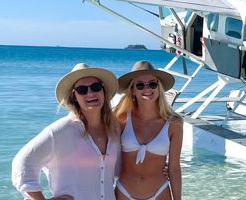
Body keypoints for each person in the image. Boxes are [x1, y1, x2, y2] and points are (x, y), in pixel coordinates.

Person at [11, 63, 121, 200]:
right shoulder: (61, 131)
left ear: (103, 91)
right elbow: (22, 163)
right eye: (82, 90)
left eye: (95, 87)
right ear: (74, 96)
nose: (91, 93)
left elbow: (119, 171)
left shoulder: (114, 128)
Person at [113, 61, 183, 200]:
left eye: (152, 84)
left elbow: (174, 168)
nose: (147, 89)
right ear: (132, 89)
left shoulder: (174, 123)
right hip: (124, 192)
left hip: (160, 192)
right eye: (140, 85)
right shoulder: (120, 119)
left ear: (159, 88)